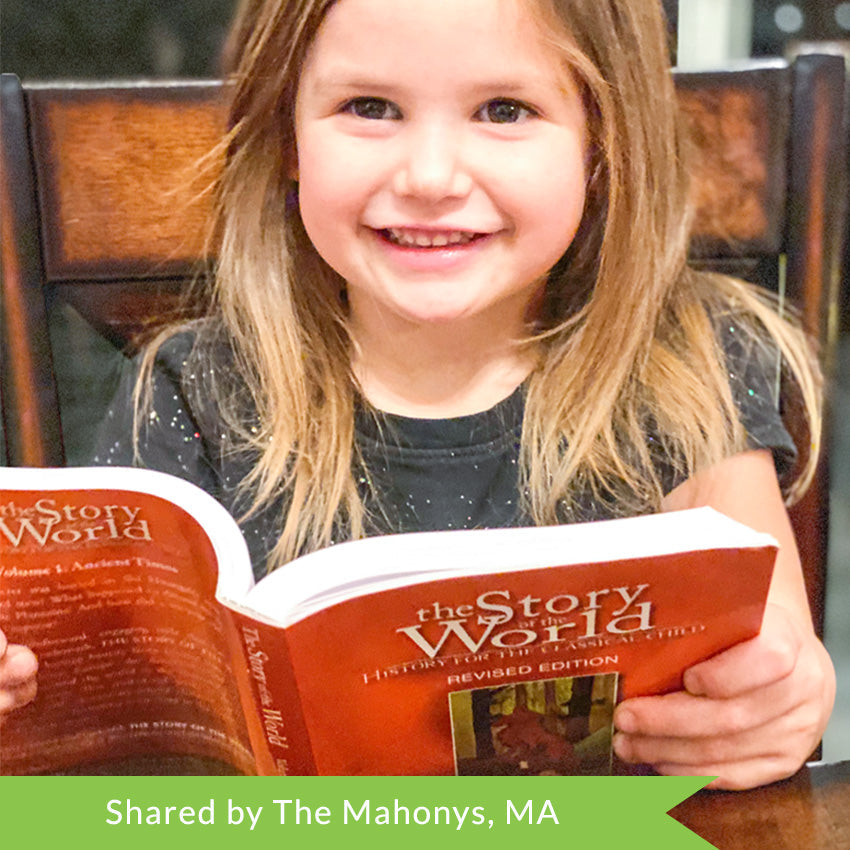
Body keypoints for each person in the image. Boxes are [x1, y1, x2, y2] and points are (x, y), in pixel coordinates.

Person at [0, 0, 835, 788]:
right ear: (288, 135)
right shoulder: (191, 390)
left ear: (600, 142)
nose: (431, 176)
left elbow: (773, 651)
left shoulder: (688, 367)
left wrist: (777, 706)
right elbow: (95, 723)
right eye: (370, 106)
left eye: (504, 110)